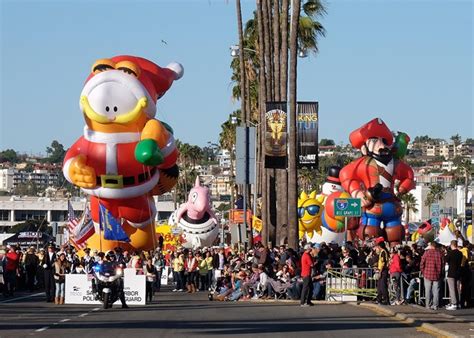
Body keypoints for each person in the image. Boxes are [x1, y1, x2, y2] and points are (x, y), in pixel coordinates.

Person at [420, 242, 443, 310]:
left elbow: (422, 263)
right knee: (436, 291)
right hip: (437, 275)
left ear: (431, 246)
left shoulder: (426, 253)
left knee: (428, 290)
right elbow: (443, 265)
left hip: (427, 274)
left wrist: (423, 271)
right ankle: (435, 305)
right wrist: (440, 273)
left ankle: (428, 305)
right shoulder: (440, 254)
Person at [445, 240, 463, 310]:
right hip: (458, 272)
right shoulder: (460, 253)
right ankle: (458, 303)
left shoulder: (450, 253)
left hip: (451, 272)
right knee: (458, 288)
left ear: (451, 245)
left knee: (452, 289)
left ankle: (454, 303)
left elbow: (446, 260)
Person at [375, 237, 389, 305]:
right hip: (381, 270)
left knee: (383, 286)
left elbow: (383, 263)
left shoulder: (383, 252)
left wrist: (380, 272)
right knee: (379, 286)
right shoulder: (381, 252)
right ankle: (379, 299)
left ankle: (386, 300)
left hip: (383, 271)